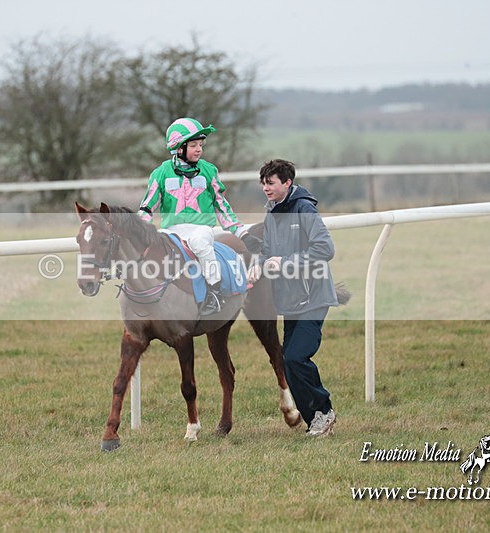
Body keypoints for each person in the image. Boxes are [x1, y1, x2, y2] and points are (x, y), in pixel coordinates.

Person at [248, 159, 339, 437]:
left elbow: (325, 249)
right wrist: (258, 266)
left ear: (287, 183)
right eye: (263, 182)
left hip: (314, 296)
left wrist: (286, 262)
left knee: (298, 356)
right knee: (288, 360)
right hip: (289, 299)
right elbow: (268, 253)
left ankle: (323, 411)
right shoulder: (272, 212)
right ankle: (316, 420)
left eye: (271, 182)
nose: (266, 188)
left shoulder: (304, 208)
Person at [138, 117, 259, 315]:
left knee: (199, 243)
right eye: (193, 145)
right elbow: (147, 207)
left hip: (201, 229)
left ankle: (214, 292)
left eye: (200, 144)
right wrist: (140, 230)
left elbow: (222, 206)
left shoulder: (209, 171)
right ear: (178, 148)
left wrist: (241, 232)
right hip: (171, 231)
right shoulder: (160, 173)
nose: (199, 149)